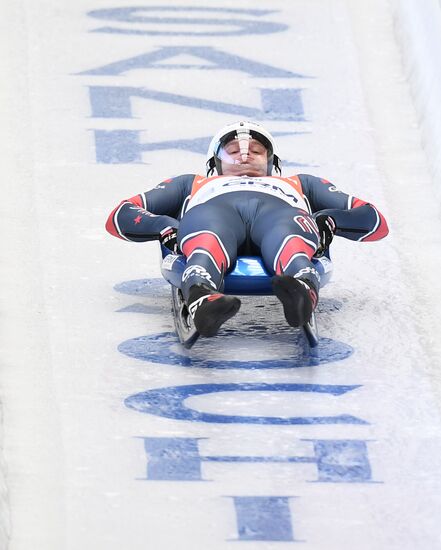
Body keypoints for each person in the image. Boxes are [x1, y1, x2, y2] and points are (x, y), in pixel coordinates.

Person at [106, 121, 388, 337]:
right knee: (206, 228)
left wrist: (331, 218)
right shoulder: (191, 183)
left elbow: (374, 220)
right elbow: (121, 214)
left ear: (271, 161)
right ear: (215, 163)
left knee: (289, 227)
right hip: (214, 213)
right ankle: (203, 297)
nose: (244, 156)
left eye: (256, 151)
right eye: (232, 152)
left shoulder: (301, 183)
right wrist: (164, 225)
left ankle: (301, 290)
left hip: (278, 214)